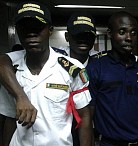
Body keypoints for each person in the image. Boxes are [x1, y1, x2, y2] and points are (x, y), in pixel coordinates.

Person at [2, 1, 93, 146]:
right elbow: (9, 117)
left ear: (50, 30)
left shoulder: (72, 68)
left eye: (37, 27)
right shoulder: (11, 71)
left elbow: (85, 116)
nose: (31, 33)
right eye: (24, 28)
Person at [87, 11, 138, 146]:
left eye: (133, 32)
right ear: (110, 33)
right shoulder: (97, 66)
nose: (129, 37)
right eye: (122, 32)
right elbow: (88, 116)